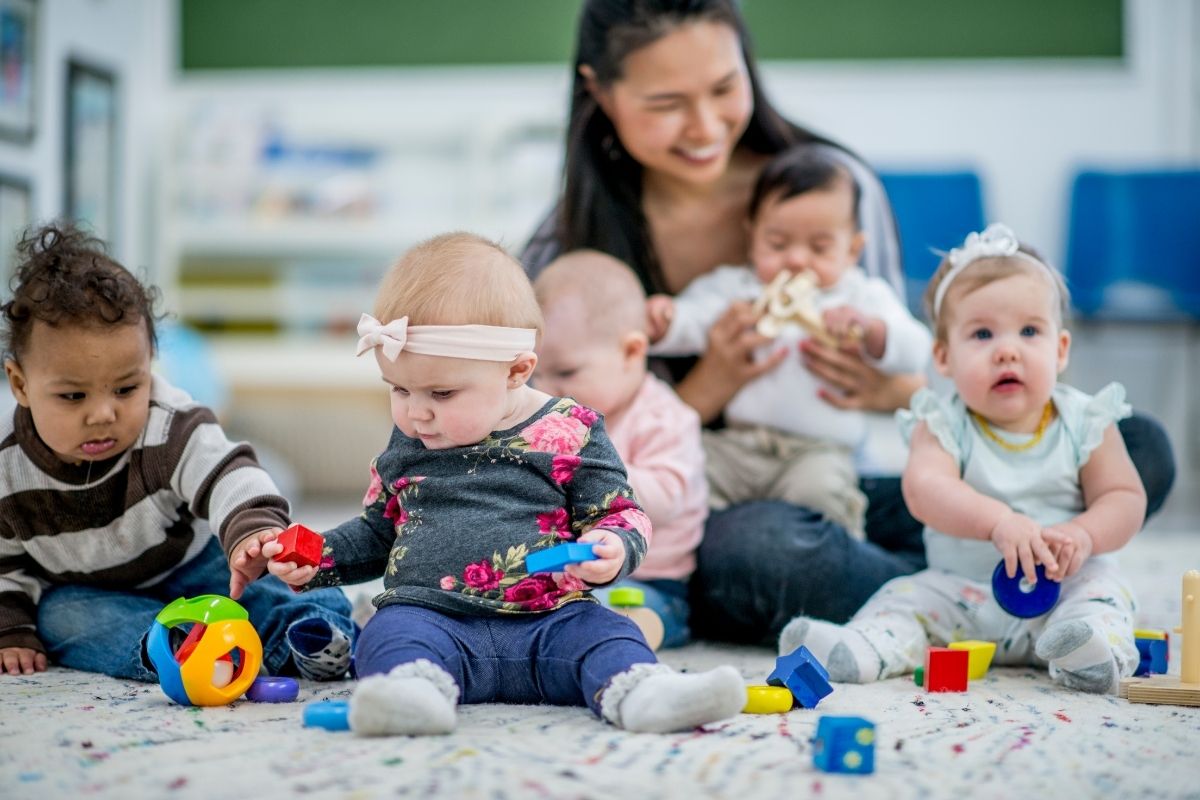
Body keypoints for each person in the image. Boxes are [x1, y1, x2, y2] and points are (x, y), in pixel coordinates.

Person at [522, 0, 1176, 644]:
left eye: (725, 88)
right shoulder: (572, 254)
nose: (704, 126)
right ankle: (974, 590)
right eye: (666, 103)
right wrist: (710, 388)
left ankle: (986, 564)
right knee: (762, 550)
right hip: (697, 508)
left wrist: (877, 386)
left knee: (1130, 446)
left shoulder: (831, 186)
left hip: (836, 471)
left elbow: (922, 378)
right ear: (600, 92)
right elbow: (556, 446)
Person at [246, 233, 745, 736]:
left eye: (442, 392)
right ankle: (413, 694)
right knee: (385, 633)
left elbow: (620, 512)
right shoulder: (411, 440)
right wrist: (315, 558)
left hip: (549, 619)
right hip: (431, 616)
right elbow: (379, 533)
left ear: (516, 371)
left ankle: (644, 694)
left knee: (610, 632)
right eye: (399, 389)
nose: (416, 412)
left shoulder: (571, 430)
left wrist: (612, 545)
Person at [780, 224, 1144, 693]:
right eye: (982, 334)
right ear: (943, 357)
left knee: (1105, 594)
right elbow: (926, 489)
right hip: (961, 594)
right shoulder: (942, 422)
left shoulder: (1087, 419)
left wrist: (1084, 534)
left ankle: (1089, 651)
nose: (1007, 350)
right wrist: (997, 521)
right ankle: (862, 648)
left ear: (1061, 349)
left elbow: (1124, 496)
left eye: (1030, 331)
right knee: (902, 598)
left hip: (1062, 590)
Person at [0, 223, 355, 680]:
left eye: (127, 387)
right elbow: (5, 563)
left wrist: (252, 532)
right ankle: (176, 651)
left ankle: (307, 635)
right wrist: (12, 630)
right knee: (59, 618)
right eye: (73, 397)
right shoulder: (8, 469)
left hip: (192, 564)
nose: (104, 413)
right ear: (21, 384)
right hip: (90, 589)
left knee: (276, 581)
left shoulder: (168, 424)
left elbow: (228, 472)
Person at [644, 146, 931, 536]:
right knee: (689, 479)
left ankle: (830, 563)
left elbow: (917, 349)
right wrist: (666, 321)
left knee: (822, 497)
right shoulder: (738, 288)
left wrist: (874, 332)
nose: (796, 260)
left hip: (818, 450)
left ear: (853, 249)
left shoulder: (862, 297)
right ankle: (676, 561)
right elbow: (695, 318)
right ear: (752, 236)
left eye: (819, 247)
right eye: (778, 244)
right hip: (737, 444)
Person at [533, 249, 707, 648]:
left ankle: (621, 639)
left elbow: (665, 498)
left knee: (621, 613)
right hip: (562, 572)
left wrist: (585, 467)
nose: (544, 390)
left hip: (647, 580)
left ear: (631, 352)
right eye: (536, 373)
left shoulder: (664, 418)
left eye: (565, 373)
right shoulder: (552, 416)